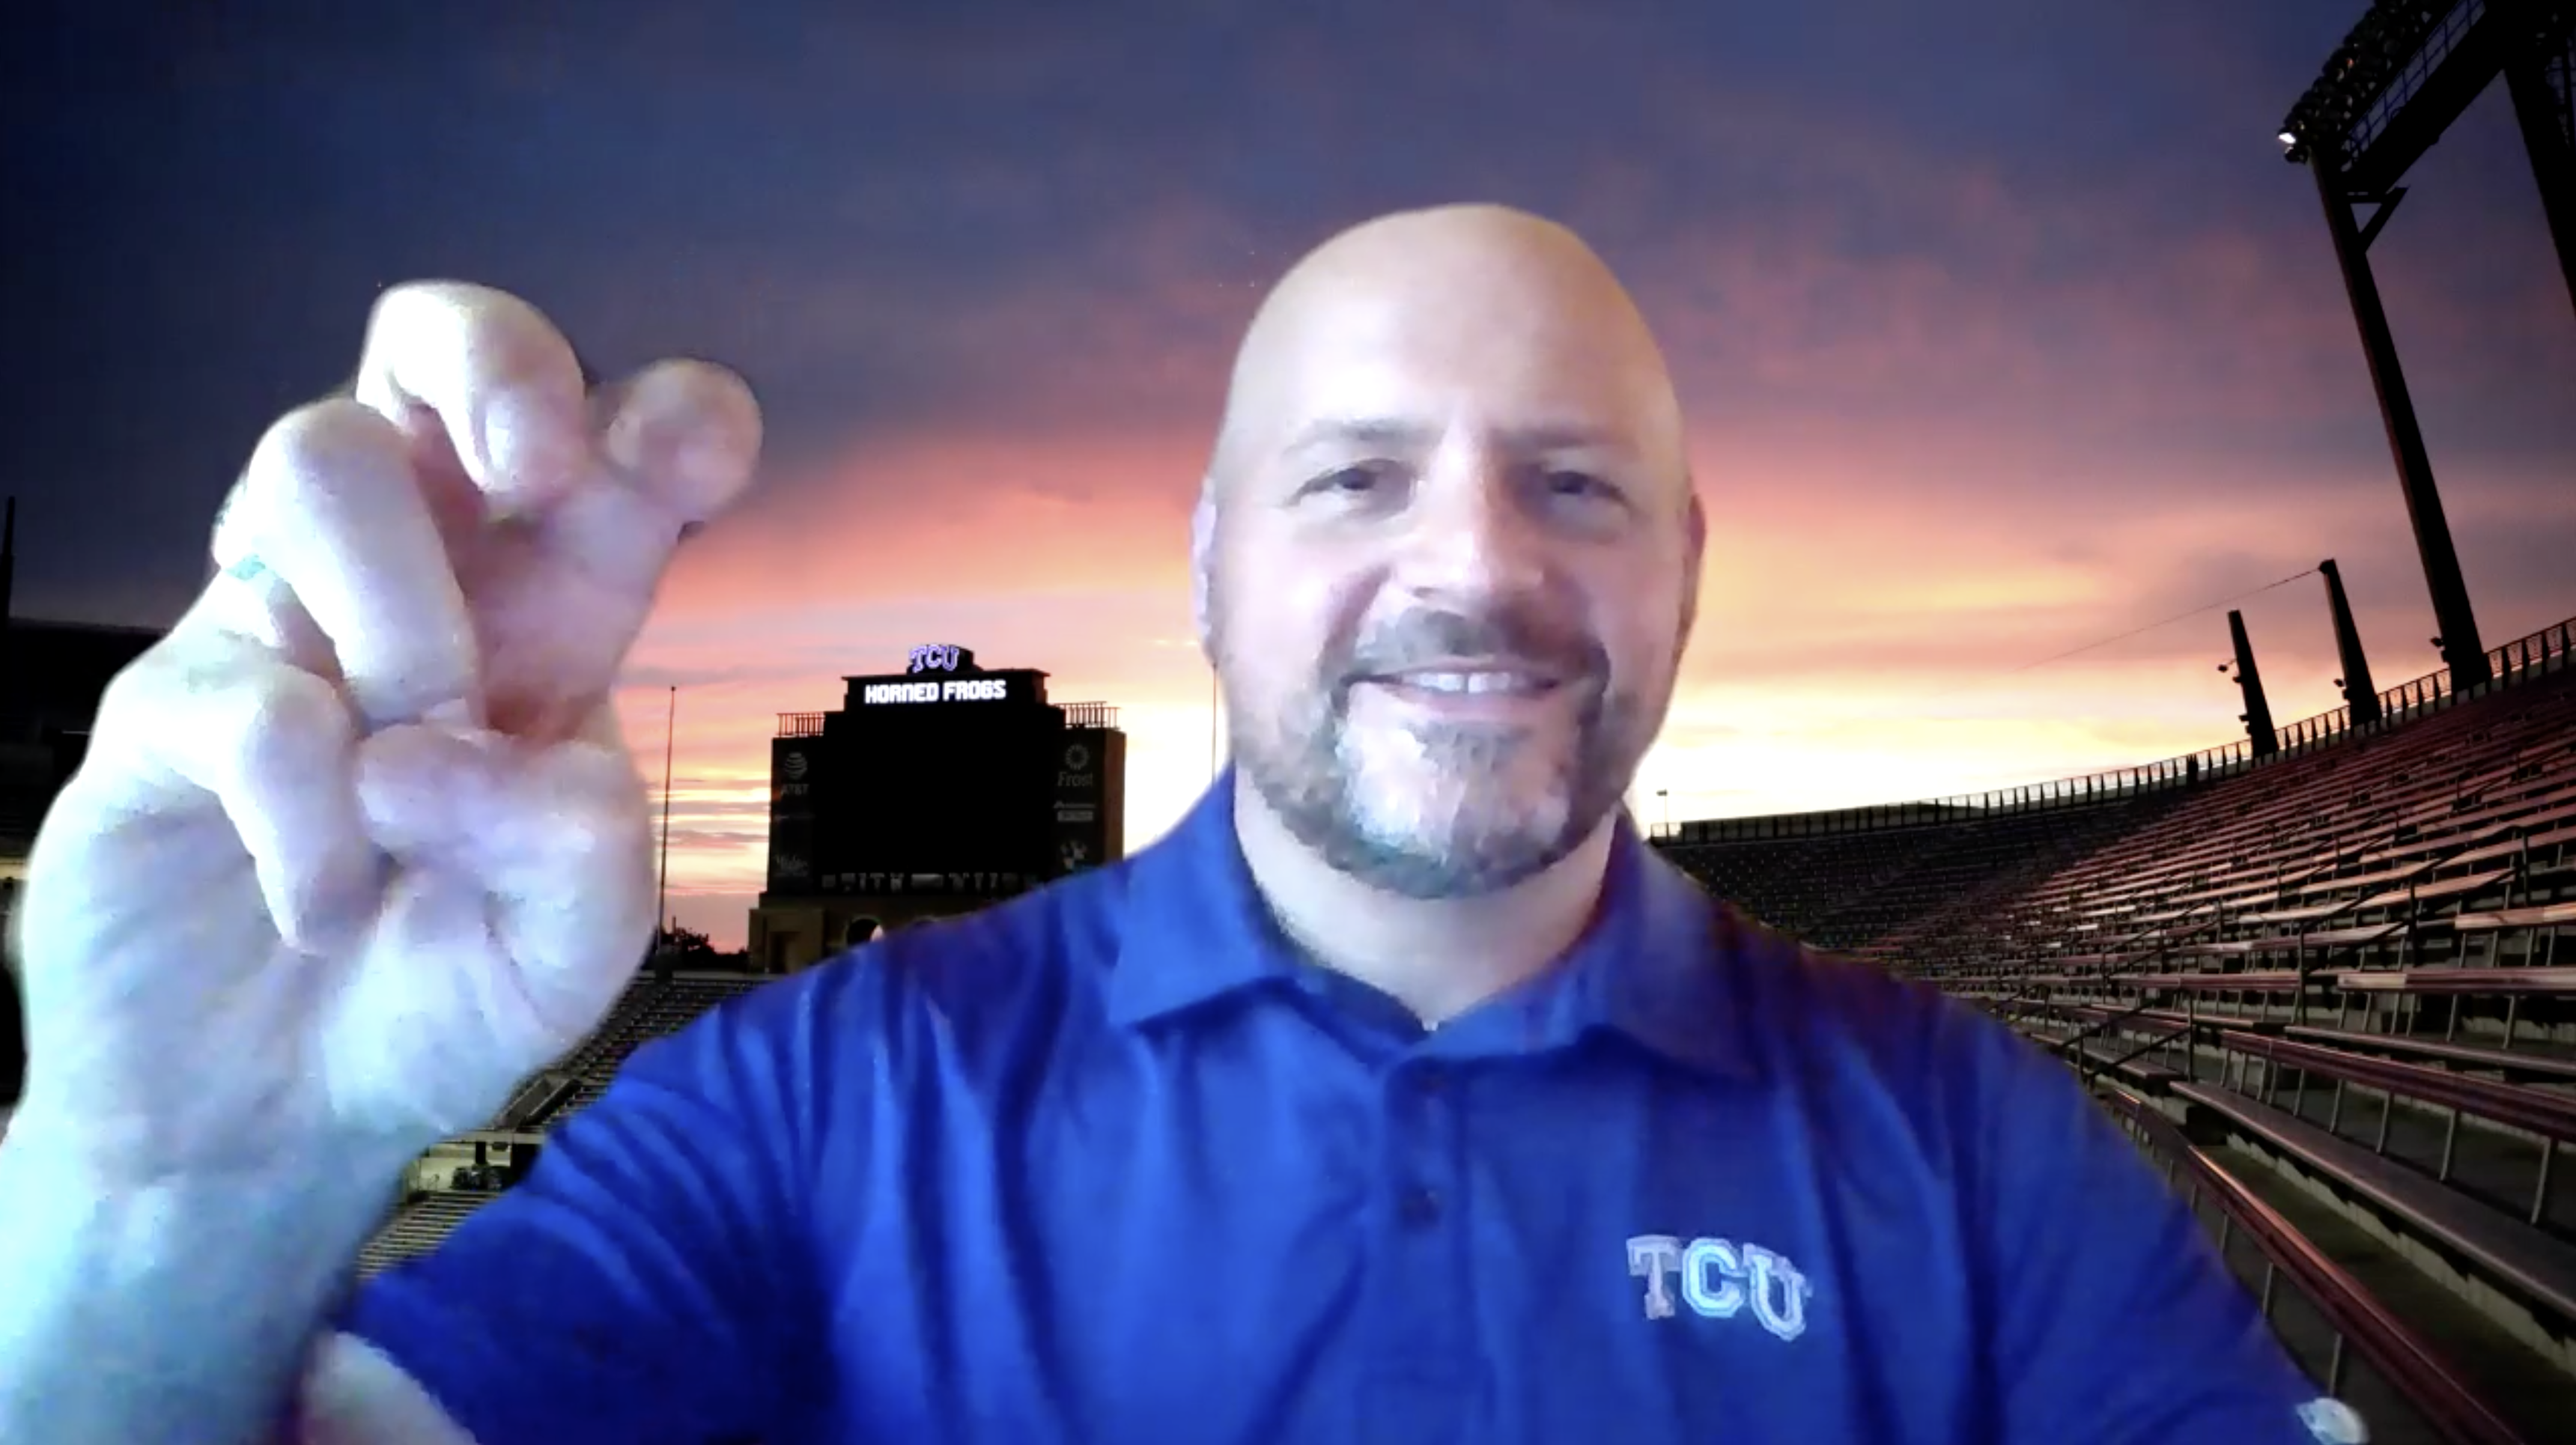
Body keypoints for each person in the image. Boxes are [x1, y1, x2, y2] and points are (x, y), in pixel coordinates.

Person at [0, 206, 2359, 1445]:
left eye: (1575, 484)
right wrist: (166, 1203)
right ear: (1209, 567)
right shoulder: (835, 1094)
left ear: (1687, 572)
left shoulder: (1970, 1151)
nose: (1475, 565)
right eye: (1357, 479)